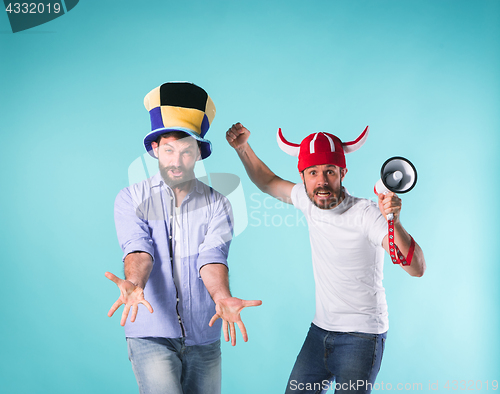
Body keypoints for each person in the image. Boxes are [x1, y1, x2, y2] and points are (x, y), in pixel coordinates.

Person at [226, 122, 426, 394]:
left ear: (342, 172)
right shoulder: (307, 200)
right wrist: (242, 148)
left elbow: (416, 268)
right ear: (303, 175)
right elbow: (267, 181)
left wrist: (395, 221)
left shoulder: (366, 214)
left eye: (329, 172)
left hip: (362, 337)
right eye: (313, 172)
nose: (321, 182)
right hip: (320, 332)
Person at [105, 83, 261, 394]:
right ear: (155, 150)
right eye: (168, 150)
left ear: (198, 153)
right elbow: (139, 250)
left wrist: (221, 296)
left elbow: (212, 258)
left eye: (187, 150)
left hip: (204, 333)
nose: (177, 160)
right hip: (150, 334)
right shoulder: (130, 198)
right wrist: (134, 284)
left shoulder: (219, 203)